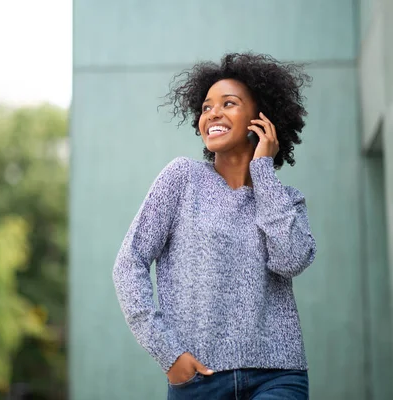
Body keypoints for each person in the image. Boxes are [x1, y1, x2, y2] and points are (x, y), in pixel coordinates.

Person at [112, 52, 316, 400]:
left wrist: (263, 172)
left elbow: (291, 260)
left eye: (229, 103)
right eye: (206, 107)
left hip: (278, 376)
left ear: (261, 118)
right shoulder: (182, 179)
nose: (213, 114)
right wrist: (168, 353)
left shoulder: (286, 200)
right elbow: (129, 264)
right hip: (199, 382)